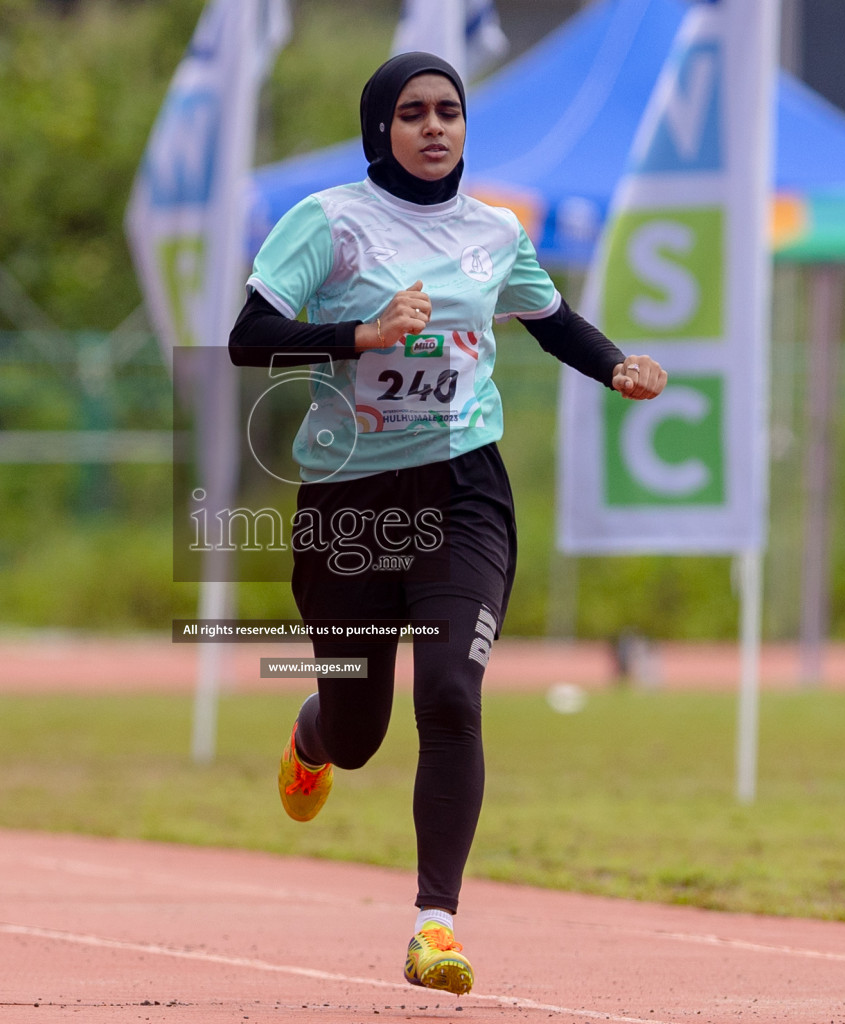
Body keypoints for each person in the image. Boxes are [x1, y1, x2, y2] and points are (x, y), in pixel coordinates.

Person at [228, 52, 666, 995]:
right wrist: (362, 335)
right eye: (414, 113)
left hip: (465, 489)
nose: (435, 128)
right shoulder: (332, 223)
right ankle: (313, 738)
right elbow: (247, 338)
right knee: (360, 732)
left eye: (450, 113)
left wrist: (617, 364)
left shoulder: (495, 231)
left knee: (454, 698)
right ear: (379, 127)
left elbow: (549, 322)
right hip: (350, 497)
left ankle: (437, 925)